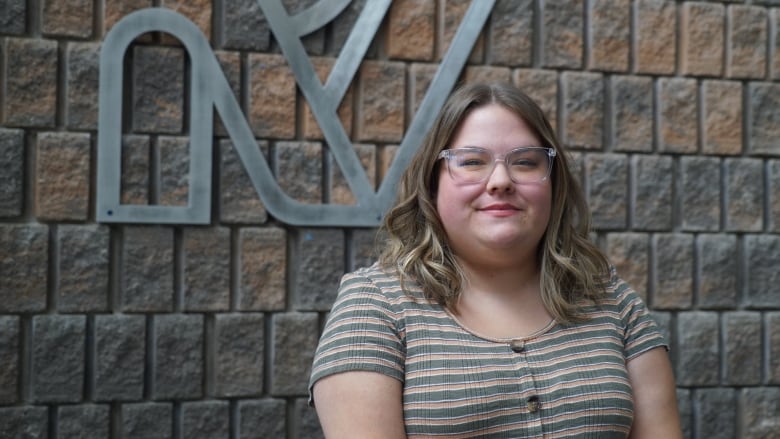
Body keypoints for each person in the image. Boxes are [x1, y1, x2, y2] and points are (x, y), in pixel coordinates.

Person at [309, 82, 682, 438]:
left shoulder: (612, 303)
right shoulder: (375, 308)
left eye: (525, 162)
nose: (500, 180)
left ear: (553, 183)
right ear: (433, 183)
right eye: (472, 161)